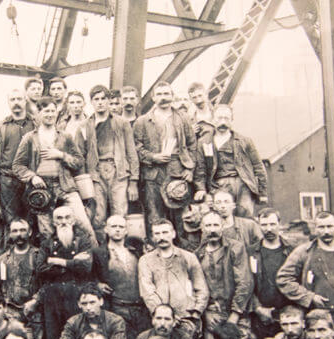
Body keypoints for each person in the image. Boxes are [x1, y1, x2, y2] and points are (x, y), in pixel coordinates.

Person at [13, 96, 95, 241]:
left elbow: (79, 161)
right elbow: (17, 166)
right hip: (41, 190)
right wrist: (33, 177)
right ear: (39, 114)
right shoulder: (30, 138)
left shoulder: (65, 137)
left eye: (53, 111)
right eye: (46, 111)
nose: (50, 114)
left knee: (84, 226)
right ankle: (53, 263)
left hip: (65, 186)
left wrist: (61, 155)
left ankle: (93, 262)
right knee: (47, 232)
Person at [276, 211, 334, 328]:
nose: (326, 232)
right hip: (317, 318)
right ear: (315, 229)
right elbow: (283, 279)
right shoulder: (303, 252)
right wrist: (309, 297)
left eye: (330, 226)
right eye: (321, 227)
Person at [32, 206, 95, 339]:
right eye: (59, 218)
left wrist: (59, 262)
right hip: (52, 297)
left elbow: (86, 268)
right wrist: (72, 264)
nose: (63, 221)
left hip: (77, 295)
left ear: (73, 220)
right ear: (54, 222)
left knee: (77, 337)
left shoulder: (83, 241)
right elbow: (40, 268)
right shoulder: (47, 244)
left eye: (67, 217)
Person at [133, 82, 198, 228]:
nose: (164, 98)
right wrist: (152, 157)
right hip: (153, 174)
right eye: (160, 94)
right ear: (153, 97)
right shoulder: (142, 121)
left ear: (172, 96)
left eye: (167, 94)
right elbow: (136, 148)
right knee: (154, 215)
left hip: (178, 171)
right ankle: (158, 247)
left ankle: (183, 248)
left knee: (181, 216)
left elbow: (192, 145)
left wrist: (190, 169)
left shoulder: (183, 118)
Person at [76, 85, 140, 227]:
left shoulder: (121, 123)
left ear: (108, 100)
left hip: (119, 172)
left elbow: (131, 153)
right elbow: (80, 155)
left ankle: (120, 246)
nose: (100, 102)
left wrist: (134, 180)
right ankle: (101, 248)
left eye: (103, 98)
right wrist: (83, 181)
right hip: (95, 174)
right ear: (91, 102)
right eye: (96, 99)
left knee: (120, 212)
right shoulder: (84, 126)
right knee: (98, 215)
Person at [137, 218, 208, 338]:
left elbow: (201, 288)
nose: (161, 237)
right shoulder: (146, 260)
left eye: (165, 232)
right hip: (160, 319)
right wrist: (162, 314)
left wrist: (196, 312)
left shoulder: (188, 257)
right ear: (153, 237)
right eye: (157, 233)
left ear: (173, 234)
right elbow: (147, 291)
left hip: (186, 318)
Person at [0, 89, 37, 251]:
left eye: (19, 99)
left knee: (32, 219)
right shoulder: (1, 127)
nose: (16, 102)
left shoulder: (35, 124)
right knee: (10, 222)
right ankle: (9, 258)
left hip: (30, 179)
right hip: (7, 180)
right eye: (12, 99)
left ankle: (31, 257)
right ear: (8, 103)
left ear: (25, 101)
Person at [92, 215, 147, 339]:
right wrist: (98, 284)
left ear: (126, 230)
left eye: (121, 227)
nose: (117, 230)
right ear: (106, 229)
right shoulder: (99, 253)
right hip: (117, 307)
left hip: (141, 308)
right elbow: (88, 277)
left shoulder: (136, 250)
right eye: (113, 226)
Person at [0, 218, 46, 339]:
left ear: (30, 232)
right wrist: (0, 307)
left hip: (35, 311)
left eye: (22, 230)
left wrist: (36, 300)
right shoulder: (3, 260)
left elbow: (48, 283)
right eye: (15, 231)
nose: (19, 234)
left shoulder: (39, 257)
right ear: (9, 233)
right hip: (11, 312)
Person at [196, 210, 252, 339]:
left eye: (216, 225)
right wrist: (206, 314)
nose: (212, 230)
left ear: (222, 226)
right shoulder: (198, 255)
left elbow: (245, 282)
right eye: (208, 226)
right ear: (202, 228)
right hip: (211, 314)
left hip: (236, 311)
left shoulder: (236, 248)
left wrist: (235, 315)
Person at [208, 104, 267, 217]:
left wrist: (263, 192)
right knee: (222, 217)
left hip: (243, 184)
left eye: (226, 118)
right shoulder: (205, 142)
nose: (223, 122)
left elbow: (258, 167)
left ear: (232, 120)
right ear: (212, 119)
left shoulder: (245, 141)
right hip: (219, 185)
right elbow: (201, 169)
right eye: (219, 118)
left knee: (245, 215)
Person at [247, 208, 294, 339]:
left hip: (288, 315)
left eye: (272, 224)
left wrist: (291, 310)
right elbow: (246, 283)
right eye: (264, 225)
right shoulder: (251, 251)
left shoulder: (292, 250)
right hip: (260, 316)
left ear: (280, 224)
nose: (269, 229)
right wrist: (258, 308)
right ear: (259, 226)